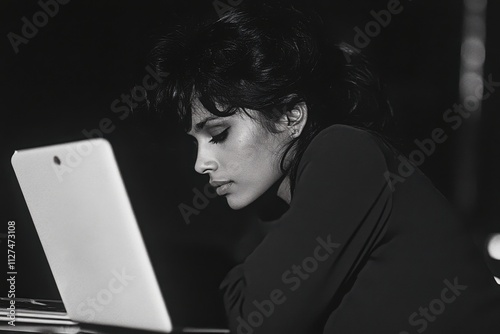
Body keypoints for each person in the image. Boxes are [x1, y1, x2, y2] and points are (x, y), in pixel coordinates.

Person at [149, 3, 500, 333]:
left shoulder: (346, 151)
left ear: (291, 116)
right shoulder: (289, 200)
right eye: (195, 142)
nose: (201, 163)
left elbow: (256, 318)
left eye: (220, 133)